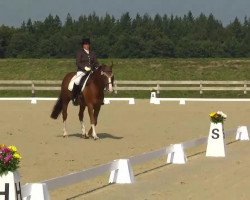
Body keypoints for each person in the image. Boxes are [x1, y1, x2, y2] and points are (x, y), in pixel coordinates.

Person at [71, 38, 100, 105]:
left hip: (92, 71)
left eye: (87, 44)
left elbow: (96, 62)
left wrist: (97, 67)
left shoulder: (93, 53)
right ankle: (75, 96)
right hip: (82, 71)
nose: (86, 45)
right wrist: (84, 68)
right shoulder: (80, 52)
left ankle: (100, 97)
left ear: (89, 45)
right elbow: (78, 63)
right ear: (83, 45)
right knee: (77, 81)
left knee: (99, 80)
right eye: (85, 44)